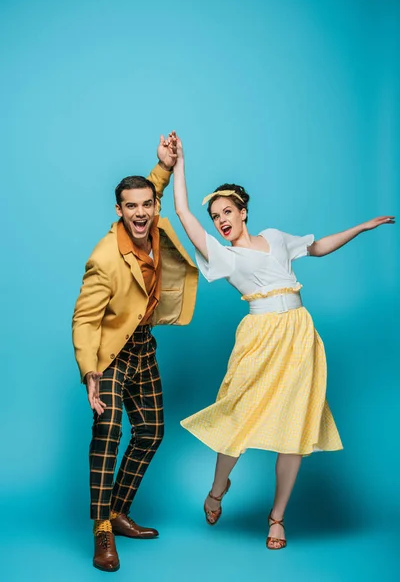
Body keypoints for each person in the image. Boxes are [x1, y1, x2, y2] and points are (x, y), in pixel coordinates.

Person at [172, 133, 395, 550]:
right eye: (215, 215)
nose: (220, 220)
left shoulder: (276, 238)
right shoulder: (224, 256)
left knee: (295, 425)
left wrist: (362, 228)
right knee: (238, 414)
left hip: (298, 334)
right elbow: (183, 213)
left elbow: (318, 247)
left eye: (226, 211)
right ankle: (218, 489)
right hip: (260, 337)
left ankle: (277, 518)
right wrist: (177, 163)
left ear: (243, 211)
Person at [72, 133, 198, 572]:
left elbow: (150, 187)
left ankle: (119, 511)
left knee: (151, 431)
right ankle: (102, 532)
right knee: (107, 437)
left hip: (143, 344)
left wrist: (162, 165)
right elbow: (85, 320)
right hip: (109, 354)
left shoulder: (152, 219)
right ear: (118, 211)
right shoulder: (104, 259)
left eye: (147, 203)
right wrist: (90, 373)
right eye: (132, 207)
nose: (141, 212)